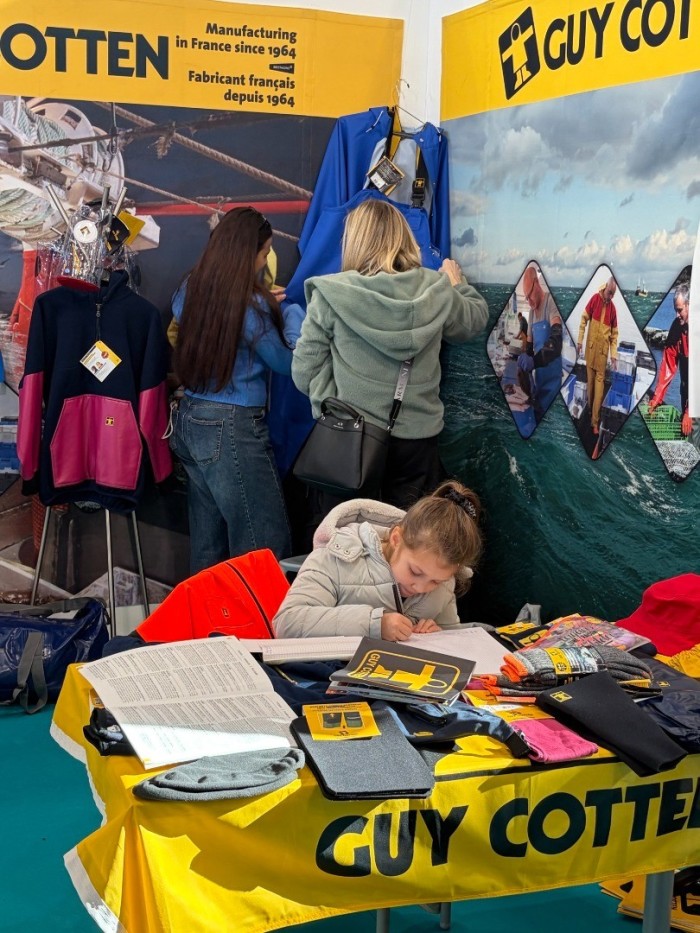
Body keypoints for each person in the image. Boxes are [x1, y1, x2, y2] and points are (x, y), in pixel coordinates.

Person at [292, 198, 488, 512]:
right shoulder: (436, 290)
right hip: (418, 442)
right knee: (407, 539)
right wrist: (456, 282)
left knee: (351, 538)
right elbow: (473, 321)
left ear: (354, 240)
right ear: (403, 237)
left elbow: (304, 371)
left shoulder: (331, 294)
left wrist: (333, 402)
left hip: (350, 440)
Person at [171, 207, 303, 574]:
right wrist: (290, 313)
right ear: (250, 253)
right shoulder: (252, 305)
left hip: (191, 419)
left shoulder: (189, 288)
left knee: (207, 551)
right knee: (264, 546)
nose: (265, 261)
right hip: (232, 429)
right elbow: (287, 363)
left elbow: (218, 321)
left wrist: (262, 310)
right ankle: (259, 630)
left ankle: (205, 629)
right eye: (265, 253)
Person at [272, 480, 483, 641]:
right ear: (396, 538)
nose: (421, 587)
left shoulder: (445, 584)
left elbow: (453, 637)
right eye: (415, 572)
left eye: (435, 581)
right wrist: (374, 624)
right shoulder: (336, 557)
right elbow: (287, 622)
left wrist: (437, 634)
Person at [516, 264, 563, 420]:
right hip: (539, 384)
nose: (529, 302)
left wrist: (533, 361)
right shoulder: (530, 314)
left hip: (553, 387)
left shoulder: (551, 303)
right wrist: (524, 357)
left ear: (536, 283)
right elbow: (529, 346)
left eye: (529, 296)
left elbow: (556, 341)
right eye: (526, 298)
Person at [576, 277, 618, 436]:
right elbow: (583, 319)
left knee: (599, 392)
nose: (610, 296)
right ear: (605, 288)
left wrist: (613, 356)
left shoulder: (613, 310)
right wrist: (580, 340)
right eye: (609, 293)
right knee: (590, 387)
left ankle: (595, 421)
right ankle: (588, 413)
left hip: (601, 358)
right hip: (590, 353)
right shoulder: (594, 299)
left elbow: (614, 336)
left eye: (613, 294)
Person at [648, 284, 691, 435]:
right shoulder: (676, 327)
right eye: (675, 310)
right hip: (686, 391)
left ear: (689, 305)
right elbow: (668, 365)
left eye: (679, 310)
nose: (676, 315)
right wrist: (657, 398)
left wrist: (691, 411)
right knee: (688, 434)